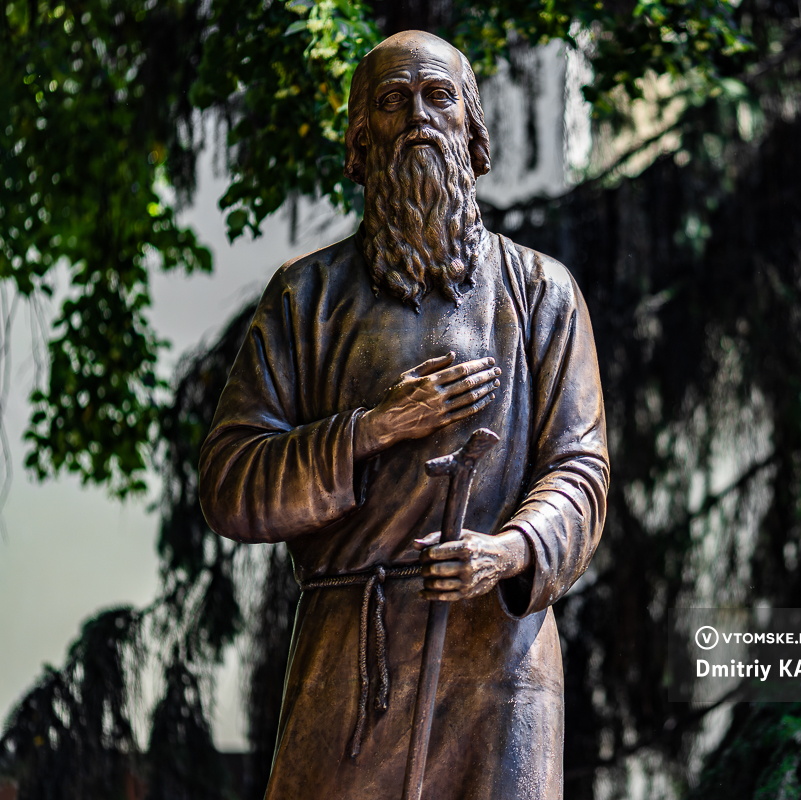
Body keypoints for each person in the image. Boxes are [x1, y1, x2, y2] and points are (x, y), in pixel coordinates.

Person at [198, 30, 608, 800]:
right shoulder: (306, 299)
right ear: (360, 144)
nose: (418, 117)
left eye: (438, 96)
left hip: (500, 664)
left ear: (473, 134)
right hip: (354, 662)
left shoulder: (543, 295)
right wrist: (370, 429)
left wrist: (511, 550)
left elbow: (580, 470)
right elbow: (229, 481)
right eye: (392, 101)